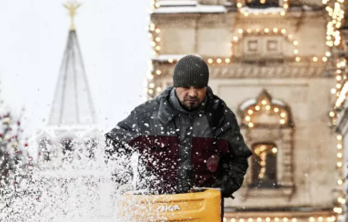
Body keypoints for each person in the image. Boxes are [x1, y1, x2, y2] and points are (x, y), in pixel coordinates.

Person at [105, 55, 252, 200]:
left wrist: (220, 189)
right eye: (186, 87)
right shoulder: (146, 115)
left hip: (203, 213)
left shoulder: (220, 116)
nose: (193, 93)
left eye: (199, 87)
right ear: (176, 85)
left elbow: (238, 158)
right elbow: (113, 144)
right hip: (155, 212)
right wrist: (124, 185)